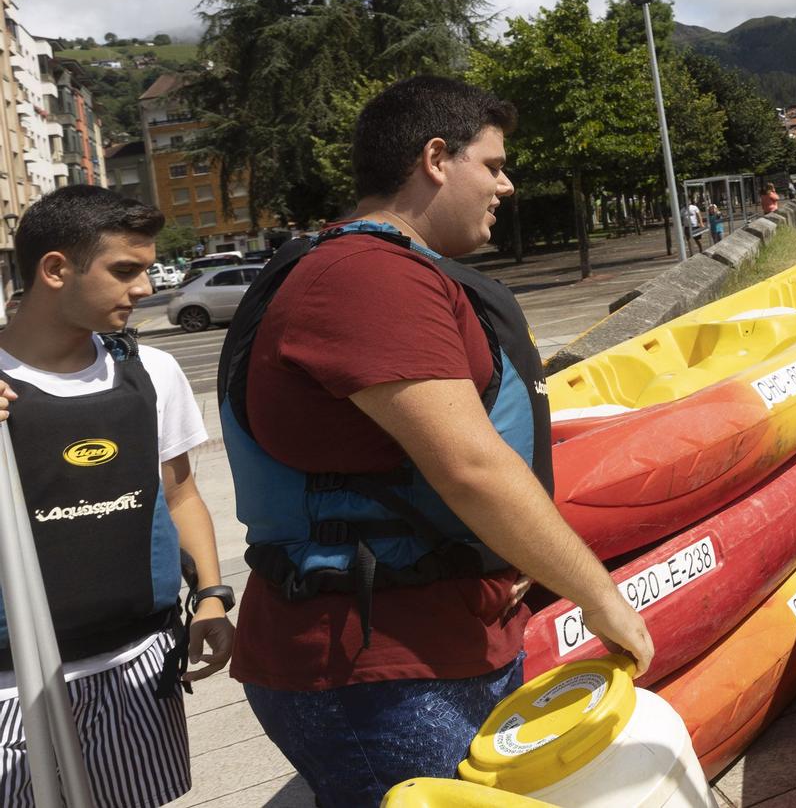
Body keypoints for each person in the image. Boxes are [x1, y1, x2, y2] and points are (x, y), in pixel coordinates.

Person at [223, 77, 652, 803]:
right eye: (492, 164)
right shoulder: (367, 276)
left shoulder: (384, 269)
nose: (507, 185)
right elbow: (471, 465)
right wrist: (599, 595)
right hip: (380, 667)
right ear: (434, 158)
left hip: (430, 644)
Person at [0, 186, 231, 808]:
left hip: (137, 664)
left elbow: (180, 497)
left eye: (148, 268)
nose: (147, 288)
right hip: (12, 686)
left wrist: (210, 595)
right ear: (55, 269)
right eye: (125, 270)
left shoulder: (151, 371)